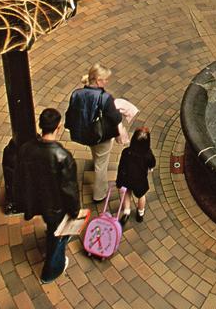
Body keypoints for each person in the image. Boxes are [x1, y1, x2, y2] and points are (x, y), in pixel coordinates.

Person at [14, 108, 80, 284]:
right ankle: (51, 270)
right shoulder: (63, 156)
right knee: (57, 236)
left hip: (36, 199)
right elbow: (69, 189)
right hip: (55, 206)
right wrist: (75, 211)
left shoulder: (27, 149)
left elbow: (20, 176)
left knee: (52, 228)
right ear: (58, 127)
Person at [65, 64, 123, 204]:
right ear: (98, 80)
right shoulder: (105, 98)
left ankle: (95, 158)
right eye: (105, 79)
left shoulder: (76, 93)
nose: (107, 82)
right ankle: (99, 193)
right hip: (100, 136)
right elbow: (116, 118)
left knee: (96, 152)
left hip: (85, 133)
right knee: (101, 165)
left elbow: (70, 113)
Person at [116, 127, 157, 224]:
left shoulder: (126, 152)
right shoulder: (148, 154)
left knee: (127, 192)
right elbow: (152, 163)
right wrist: (150, 168)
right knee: (141, 196)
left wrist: (119, 181)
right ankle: (140, 214)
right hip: (140, 181)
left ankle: (126, 212)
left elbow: (121, 167)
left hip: (127, 178)